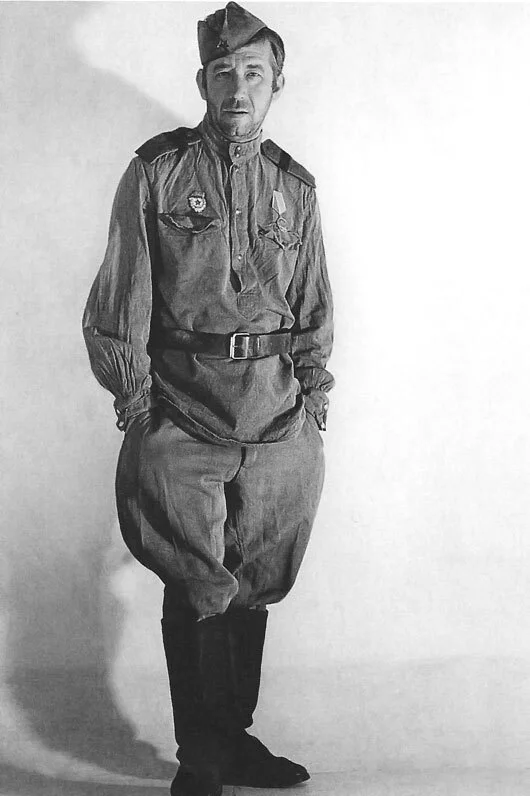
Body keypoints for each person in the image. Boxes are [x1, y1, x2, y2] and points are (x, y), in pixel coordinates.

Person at [83, 3, 334, 795]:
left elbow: (315, 306)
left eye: (254, 72)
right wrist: (138, 406)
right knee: (196, 581)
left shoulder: (295, 186)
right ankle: (200, 759)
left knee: (256, 577)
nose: (238, 87)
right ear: (202, 82)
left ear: (276, 84)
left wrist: (314, 400)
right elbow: (120, 297)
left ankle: (233, 741)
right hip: (183, 415)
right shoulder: (157, 173)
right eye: (223, 72)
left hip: (277, 420)